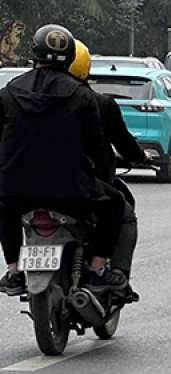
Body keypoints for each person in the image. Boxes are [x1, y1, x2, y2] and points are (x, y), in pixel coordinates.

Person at [0, 24, 125, 297]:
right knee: (115, 205)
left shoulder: (9, 92)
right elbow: (97, 147)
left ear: (34, 54)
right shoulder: (82, 96)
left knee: (4, 208)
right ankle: (96, 269)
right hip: (73, 192)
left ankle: (12, 270)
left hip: (17, 191)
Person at [70, 42, 149, 289]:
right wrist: (139, 157)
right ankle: (109, 270)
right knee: (121, 211)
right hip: (86, 185)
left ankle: (15, 269)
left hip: (27, 185)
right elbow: (121, 144)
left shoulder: (22, 98)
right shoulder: (97, 104)